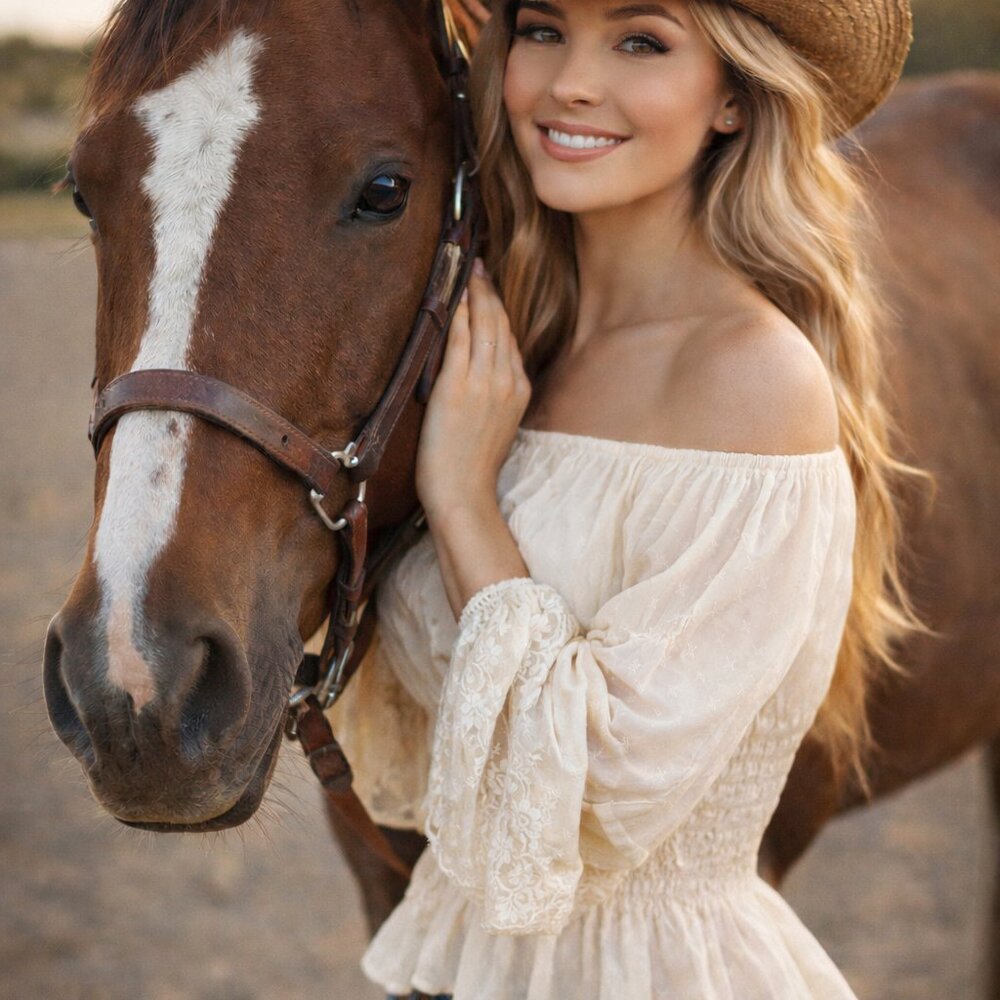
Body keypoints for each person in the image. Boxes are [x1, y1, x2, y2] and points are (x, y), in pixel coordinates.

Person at [328, 0, 930, 997]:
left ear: (733, 96)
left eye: (640, 41)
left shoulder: (753, 385)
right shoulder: (511, 344)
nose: (571, 83)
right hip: (462, 966)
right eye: (543, 29)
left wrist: (463, 500)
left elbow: (591, 795)